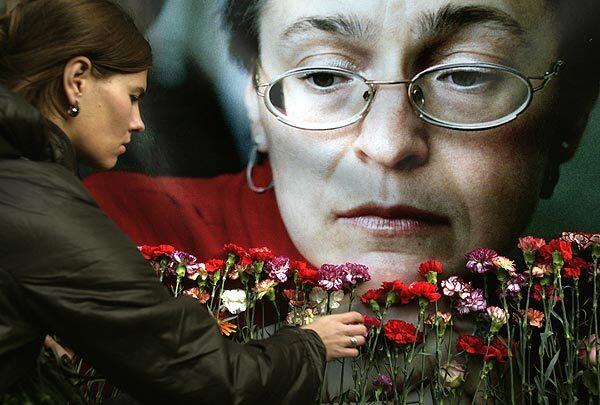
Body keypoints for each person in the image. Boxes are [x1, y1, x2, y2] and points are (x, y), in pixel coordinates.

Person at [84, 0, 599, 306]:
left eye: (465, 75)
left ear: (568, 119)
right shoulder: (109, 243)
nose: (388, 144)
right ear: (257, 106)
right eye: (325, 75)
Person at [0, 0, 367, 403]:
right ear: (77, 81)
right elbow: (199, 373)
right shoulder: (42, 206)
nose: (138, 122)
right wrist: (310, 344)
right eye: (133, 94)